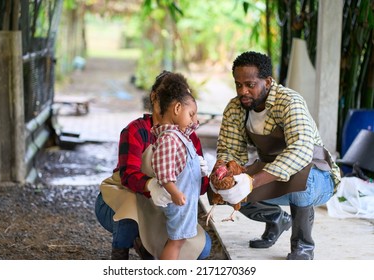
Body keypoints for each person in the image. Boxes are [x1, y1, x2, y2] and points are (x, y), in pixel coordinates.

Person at [212, 51, 341, 260]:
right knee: (230, 189)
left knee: (302, 181)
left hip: (316, 175)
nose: (242, 91)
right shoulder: (236, 108)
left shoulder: (290, 102)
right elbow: (229, 150)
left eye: (250, 84)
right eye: (238, 84)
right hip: (272, 173)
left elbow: (300, 151)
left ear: (268, 81)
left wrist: (253, 181)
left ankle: (303, 246)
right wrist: (224, 174)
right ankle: (277, 219)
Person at [94, 70, 211, 260]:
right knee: (129, 214)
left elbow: (197, 190)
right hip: (125, 200)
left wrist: (202, 176)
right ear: (154, 98)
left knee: (201, 248)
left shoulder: (190, 138)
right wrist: (152, 185)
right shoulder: (136, 130)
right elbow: (128, 175)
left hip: (162, 209)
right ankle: (119, 253)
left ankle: (147, 248)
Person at [150, 73, 202, 259]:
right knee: (176, 241)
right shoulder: (169, 139)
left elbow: (189, 127)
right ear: (177, 108)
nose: (194, 121)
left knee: (178, 240)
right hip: (180, 201)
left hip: (185, 202)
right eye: (192, 114)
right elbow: (164, 174)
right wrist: (175, 192)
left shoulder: (177, 135)